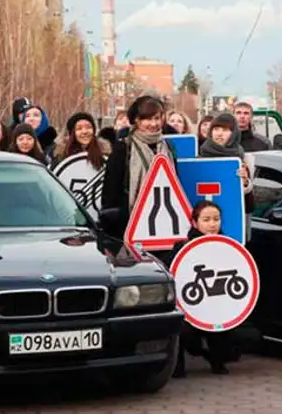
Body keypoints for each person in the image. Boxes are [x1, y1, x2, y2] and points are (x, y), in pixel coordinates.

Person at [169, 201, 237, 377]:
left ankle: (217, 360)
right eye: (206, 219)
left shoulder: (228, 245)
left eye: (216, 219)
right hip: (189, 306)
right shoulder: (182, 246)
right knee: (184, 331)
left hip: (216, 301)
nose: (213, 224)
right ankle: (179, 365)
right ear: (195, 222)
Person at [101, 96, 176, 237]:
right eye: (147, 119)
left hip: (164, 223)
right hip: (129, 225)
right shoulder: (123, 148)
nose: (153, 124)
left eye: (157, 118)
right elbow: (110, 191)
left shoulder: (168, 148)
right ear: (136, 120)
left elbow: (175, 185)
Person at [199, 113, 255, 212]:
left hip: (233, 218)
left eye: (225, 130)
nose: (219, 133)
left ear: (233, 134)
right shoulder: (198, 160)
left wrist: (245, 183)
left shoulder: (242, 161)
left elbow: (249, 208)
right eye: (216, 129)